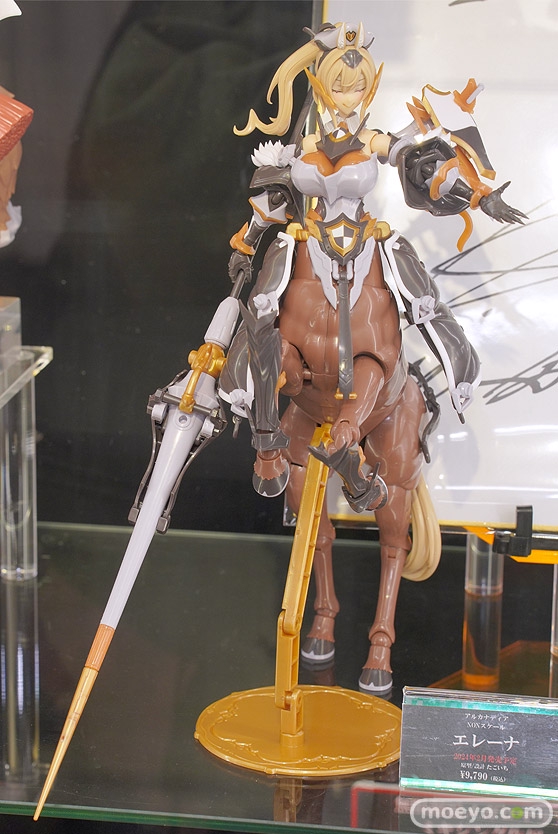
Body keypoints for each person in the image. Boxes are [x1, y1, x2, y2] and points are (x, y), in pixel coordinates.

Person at [219, 21, 525, 692]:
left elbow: (424, 165)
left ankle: (381, 636)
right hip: (309, 244)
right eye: (338, 79)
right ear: (322, 83)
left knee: (415, 301)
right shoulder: (301, 144)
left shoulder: (377, 140)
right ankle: (257, 419)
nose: (348, 90)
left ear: (372, 84)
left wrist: (464, 184)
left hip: (364, 246)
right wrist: (252, 233)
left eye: (358, 80)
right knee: (264, 311)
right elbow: (266, 197)